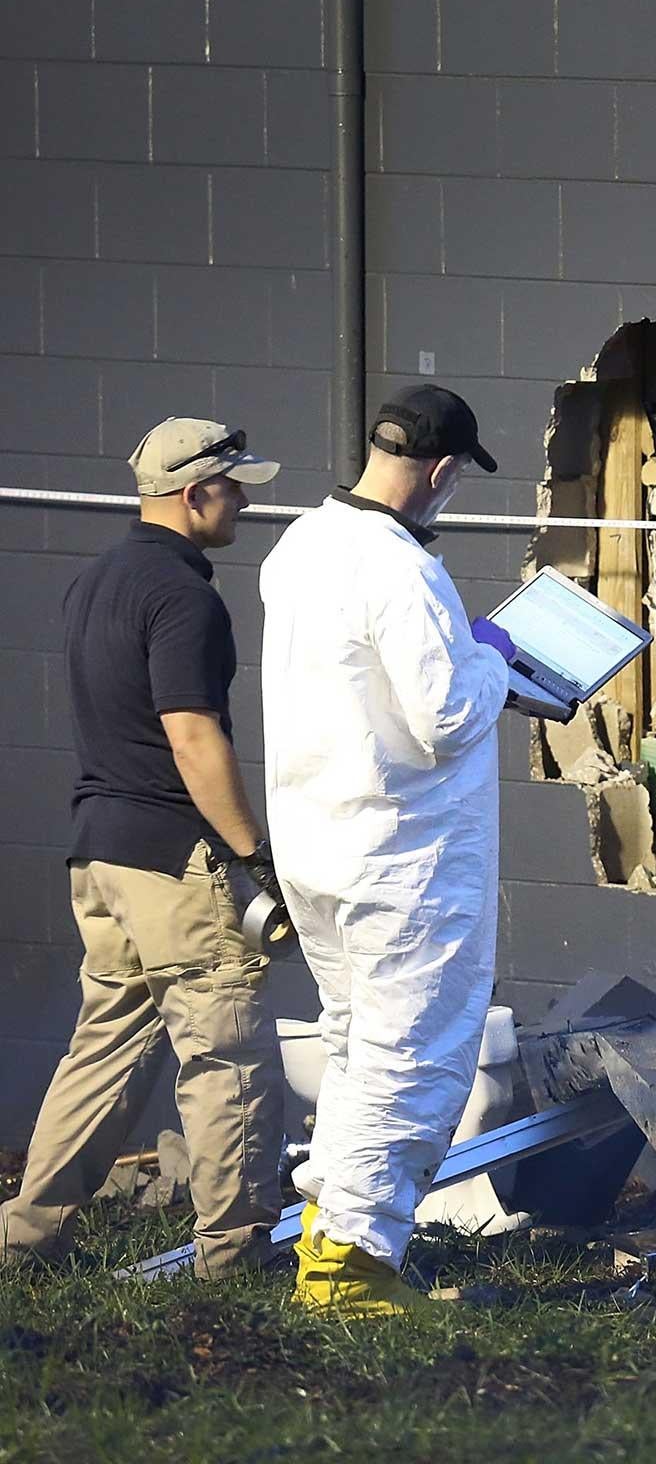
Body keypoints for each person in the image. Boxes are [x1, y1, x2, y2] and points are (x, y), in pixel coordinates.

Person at [0, 419, 288, 1275]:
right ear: (194, 494)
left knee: (105, 1048)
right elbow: (192, 733)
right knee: (225, 1051)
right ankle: (235, 1259)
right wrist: (251, 854)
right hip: (175, 859)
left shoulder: (94, 583)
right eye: (233, 485)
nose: (243, 499)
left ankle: (24, 1240)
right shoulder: (184, 595)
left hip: (102, 858)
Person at [260, 385, 516, 1316]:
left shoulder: (301, 544)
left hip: (318, 847)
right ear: (443, 471)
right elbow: (447, 715)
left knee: (357, 1047)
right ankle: (352, 1269)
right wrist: (494, 658)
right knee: (412, 1055)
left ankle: (329, 1236)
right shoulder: (404, 570)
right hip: (404, 860)